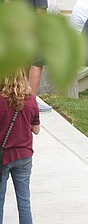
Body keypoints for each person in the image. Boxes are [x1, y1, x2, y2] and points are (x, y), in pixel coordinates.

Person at [0, 69, 40, 224]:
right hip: (24, 155)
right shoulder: (31, 101)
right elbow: (36, 129)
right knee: (24, 202)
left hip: (3, 157)